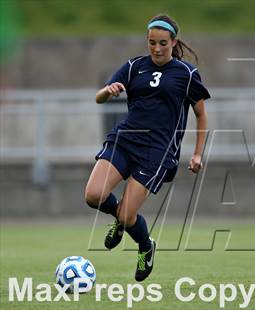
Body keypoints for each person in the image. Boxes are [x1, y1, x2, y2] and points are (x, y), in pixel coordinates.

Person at [84, 14, 210, 282]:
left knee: (128, 216)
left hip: (157, 152)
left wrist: (198, 152)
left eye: (163, 43)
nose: (156, 48)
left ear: (173, 42)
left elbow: (201, 114)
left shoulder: (186, 74)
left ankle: (145, 246)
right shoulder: (134, 67)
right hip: (125, 140)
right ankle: (119, 218)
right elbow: (98, 98)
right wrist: (109, 91)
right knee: (93, 195)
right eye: (152, 42)